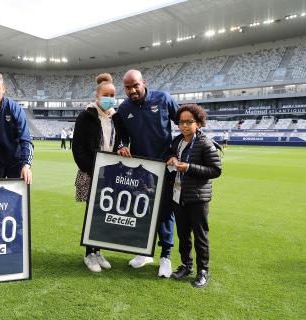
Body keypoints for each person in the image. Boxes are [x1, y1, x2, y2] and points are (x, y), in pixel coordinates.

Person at [116, 69, 178, 277]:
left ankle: (166, 257)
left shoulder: (163, 98)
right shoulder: (123, 109)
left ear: (143, 82)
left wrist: (176, 152)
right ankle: (143, 252)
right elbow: (121, 137)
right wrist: (122, 146)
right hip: (140, 169)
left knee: (164, 212)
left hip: (165, 167)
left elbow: (184, 122)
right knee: (141, 210)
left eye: (135, 85)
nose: (132, 90)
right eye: (128, 87)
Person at [165, 104, 222, 288]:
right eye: (181, 122)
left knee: (200, 237)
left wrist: (189, 167)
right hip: (178, 195)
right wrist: (173, 158)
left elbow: (215, 170)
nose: (184, 126)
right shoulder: (178, 141)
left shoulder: (206, 143)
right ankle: (186, 265)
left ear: (198, 123)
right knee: (183, 235)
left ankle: (203, 271)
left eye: (189, 122)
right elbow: (172, 154)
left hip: (198, 198)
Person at [72, 73, 121, 272]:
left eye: (112, 95)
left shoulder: (116, 117)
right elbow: (78, 148)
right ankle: (88, 254)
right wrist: (92, 169)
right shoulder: (86, 116)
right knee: (92, 213)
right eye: (106, 94)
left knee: (103, 213)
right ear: (97, 95)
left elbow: (118, 143)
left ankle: (98, 251)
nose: (109, 98)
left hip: (110, 173)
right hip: (92, 172)